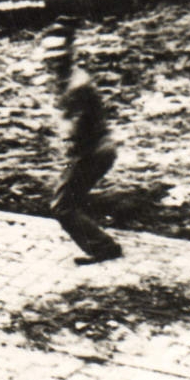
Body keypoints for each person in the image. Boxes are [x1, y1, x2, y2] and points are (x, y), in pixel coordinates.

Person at [45, 22, 124, 265]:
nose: (51, 63)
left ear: (67, 57)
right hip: (95, 149)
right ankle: (101, 243)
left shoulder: (76, 86)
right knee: (68, 200)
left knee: (62, 206)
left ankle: (104, 248)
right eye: (50, 58)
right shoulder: (71, 79)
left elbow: (75, 127)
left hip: (93, 153)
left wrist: (67, 141)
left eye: (57, 58)